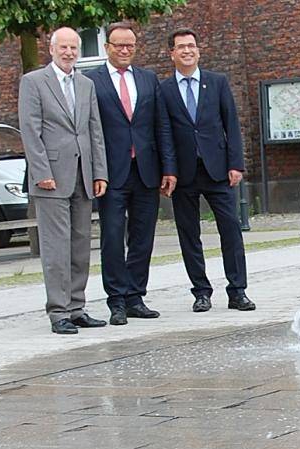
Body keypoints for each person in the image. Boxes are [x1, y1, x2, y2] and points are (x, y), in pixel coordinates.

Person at [84, 22, 177, 326]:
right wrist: (96, 170)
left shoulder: (149, 79)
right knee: (112, 237)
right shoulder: (91, 82)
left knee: (142, 237)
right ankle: (116, 300)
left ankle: (136, 296)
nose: (125, 50)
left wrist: (169, 168)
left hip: (146, 171)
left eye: (130, 45)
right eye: (118, 45)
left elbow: (161, 126)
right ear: (106, 47)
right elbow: (89, 130)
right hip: (111, 173)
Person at [18, 27, 109, 335]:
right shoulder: (33, 82)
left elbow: (94, 130)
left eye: (74, 47)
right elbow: (30, 131)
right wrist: (41, 172)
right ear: (51, 49)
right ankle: (58, 311)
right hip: (52, 179)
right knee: (56, 247)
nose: (69, 52)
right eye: (64, 47)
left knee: (81, 244)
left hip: (83, 175)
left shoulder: (85, 84)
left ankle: (77, 306)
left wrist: (100, 172)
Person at [159, 28, 255, 313]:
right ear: (172, 54)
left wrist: (236, 163)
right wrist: (168, 170)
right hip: (183, 174)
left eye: (191, 46)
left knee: (231, 230)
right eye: (181, 47)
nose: (187, 51)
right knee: (189, 234)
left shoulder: (217, 83)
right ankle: (201, 291)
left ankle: (237, 291)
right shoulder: (163, 90)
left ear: (198, 51)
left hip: (218, 170)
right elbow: (163, 133)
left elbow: (232, 125)